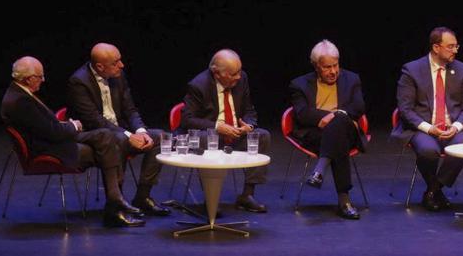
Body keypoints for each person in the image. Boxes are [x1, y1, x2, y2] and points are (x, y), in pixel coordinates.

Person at [0, 56, 144, 227]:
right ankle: (114, 206)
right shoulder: (20, 101)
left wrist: (66, 126)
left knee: (106, 136)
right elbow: (53, 133)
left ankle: (115, 201)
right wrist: (73, 126)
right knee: (109, 146)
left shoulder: (18, 93)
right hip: (49, 150)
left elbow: (45, 126)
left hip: (53, 141)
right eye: (40, 77)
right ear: (29, 79)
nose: (43, 80)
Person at [66, 42, 170, 217]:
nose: (121, 65)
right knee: (118, 139)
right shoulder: (79, 82)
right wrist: (128, 135)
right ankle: (116, 205)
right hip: (95, 135)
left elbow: (130, 109)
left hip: (119, 131)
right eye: (116, 62)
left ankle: (142, 197)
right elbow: (94, 120)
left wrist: (141, 131)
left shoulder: (118, 75)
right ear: (100, 66)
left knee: (161, 137)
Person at [393, 27, 463, 211]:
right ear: (436, 48)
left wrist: (455, 127)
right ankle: (436, 191)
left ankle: (433, 190)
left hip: (451, 126)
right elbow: (405, 109)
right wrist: (428, 128)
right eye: (451, 46)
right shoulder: (412, 70)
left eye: (456, 46)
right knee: (428, 150)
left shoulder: (462, 70)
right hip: (422, 128)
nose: (455, 50)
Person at [181, 48, 272, 213]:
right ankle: (210, 200)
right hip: (213, 136)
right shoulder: (198, 85)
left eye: (239, 71)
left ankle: (247, 195)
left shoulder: (241, 78)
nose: (238, 76)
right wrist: (217, 127)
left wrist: (248, 126)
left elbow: (250, 110)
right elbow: (188, 120)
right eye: (233, 74)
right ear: (216, 73)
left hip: (236, 134)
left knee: (262, 136)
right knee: (203, 138)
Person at [288, 40, 366, 220]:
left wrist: (335, 116)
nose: (333, 71)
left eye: (335, 65)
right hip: (316, 133)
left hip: (348, 131)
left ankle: (319, 171)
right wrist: (327, 118)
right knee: (338, 138)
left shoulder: (352, 79)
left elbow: (359, 107)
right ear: (316, 66)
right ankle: (344, 201)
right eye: (327, 67)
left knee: (338, 124)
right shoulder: (299, 84)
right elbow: (301, 113)